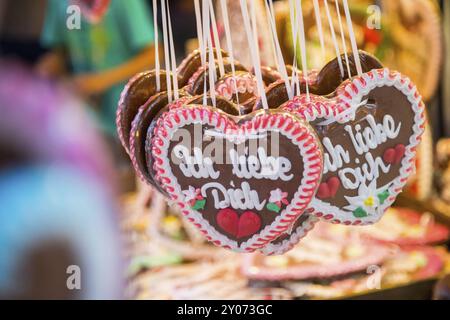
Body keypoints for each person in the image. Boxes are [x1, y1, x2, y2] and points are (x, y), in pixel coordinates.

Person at [36, 0, 156, 139]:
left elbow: (153, 54)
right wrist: (45, 71)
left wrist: (99, 82)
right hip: (85, 117)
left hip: (126, 113)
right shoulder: (59, 3)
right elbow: (59, 51)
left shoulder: (127, 3)